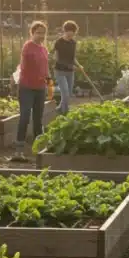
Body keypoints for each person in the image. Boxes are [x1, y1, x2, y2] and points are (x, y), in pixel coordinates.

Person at [14, 20, 50, 159]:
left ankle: (39, 148)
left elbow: (46, 68)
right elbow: (23, 65)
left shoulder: (44, 49)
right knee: (25, 117)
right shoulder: (28, 47)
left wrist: (49, 85)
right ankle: (19, 149)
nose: (41, 35)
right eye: (38, 33)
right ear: (32, 33)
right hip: (27, 87)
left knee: (38, 119)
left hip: (40, 88)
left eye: (43, 33)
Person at [53, 20, 79, 115]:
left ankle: (59, 109)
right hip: (60, 71)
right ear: (65, 31)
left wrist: (78, 65)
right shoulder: (59, 42)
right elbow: (57, 58)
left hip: (70, 72)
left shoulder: (73, 43)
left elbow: (73, 58)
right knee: (65, 93)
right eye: (70, 31)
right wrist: (69, 65)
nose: (72, 34)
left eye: (73, 32)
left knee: (69, 94)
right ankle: (65, 113)